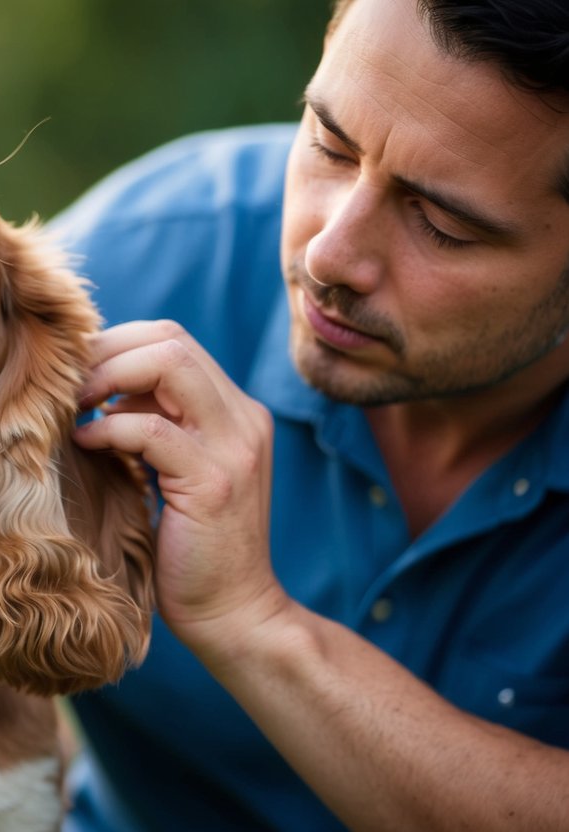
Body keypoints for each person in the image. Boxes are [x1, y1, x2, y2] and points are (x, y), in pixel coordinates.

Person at [54, 0, 569, 829]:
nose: (328, 254)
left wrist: (251, 625)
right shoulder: (130, 265)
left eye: (440, 224)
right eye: (328, 143)